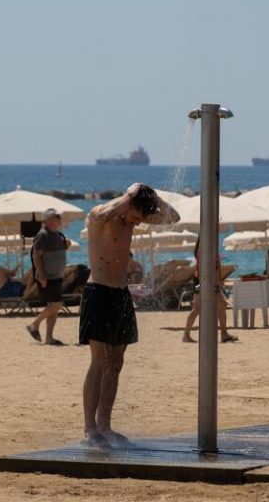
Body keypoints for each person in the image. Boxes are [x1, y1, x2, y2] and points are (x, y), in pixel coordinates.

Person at [80, 183, 179, 448]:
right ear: (128, 204)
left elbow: (173, 217)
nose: (140, 222)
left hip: (120, 294)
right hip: (98, 292)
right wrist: (129, 195)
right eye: (137, 215)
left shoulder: (131, 219)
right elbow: (101, 215)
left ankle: (105, 425)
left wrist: (154, 197)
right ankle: (90, 428)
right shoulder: (100, 215)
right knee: (99, 361)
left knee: (117, 362)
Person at [26, 208, 69, 346]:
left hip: (57, 276)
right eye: (55, 217)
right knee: (57, 304)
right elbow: (36, 256)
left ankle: (49, 337)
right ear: (48, 220)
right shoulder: (43, 235)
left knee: (53, 307)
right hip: (48, 276)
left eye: (58, 217)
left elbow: (59, 250)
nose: (58, 220)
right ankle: (34, 324)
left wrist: (66, 245)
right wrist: (42, 276)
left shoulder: (58, 234)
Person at [182, 238, 238, 343]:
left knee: (220, 305)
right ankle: (223, 334)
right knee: (198, 308)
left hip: (208, 280)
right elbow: (205, 267)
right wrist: (213, 281)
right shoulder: (203, 249)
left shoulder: (211, 247)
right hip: (203, 280)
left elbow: (217, 265)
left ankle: (223, 333)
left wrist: (219, 279)